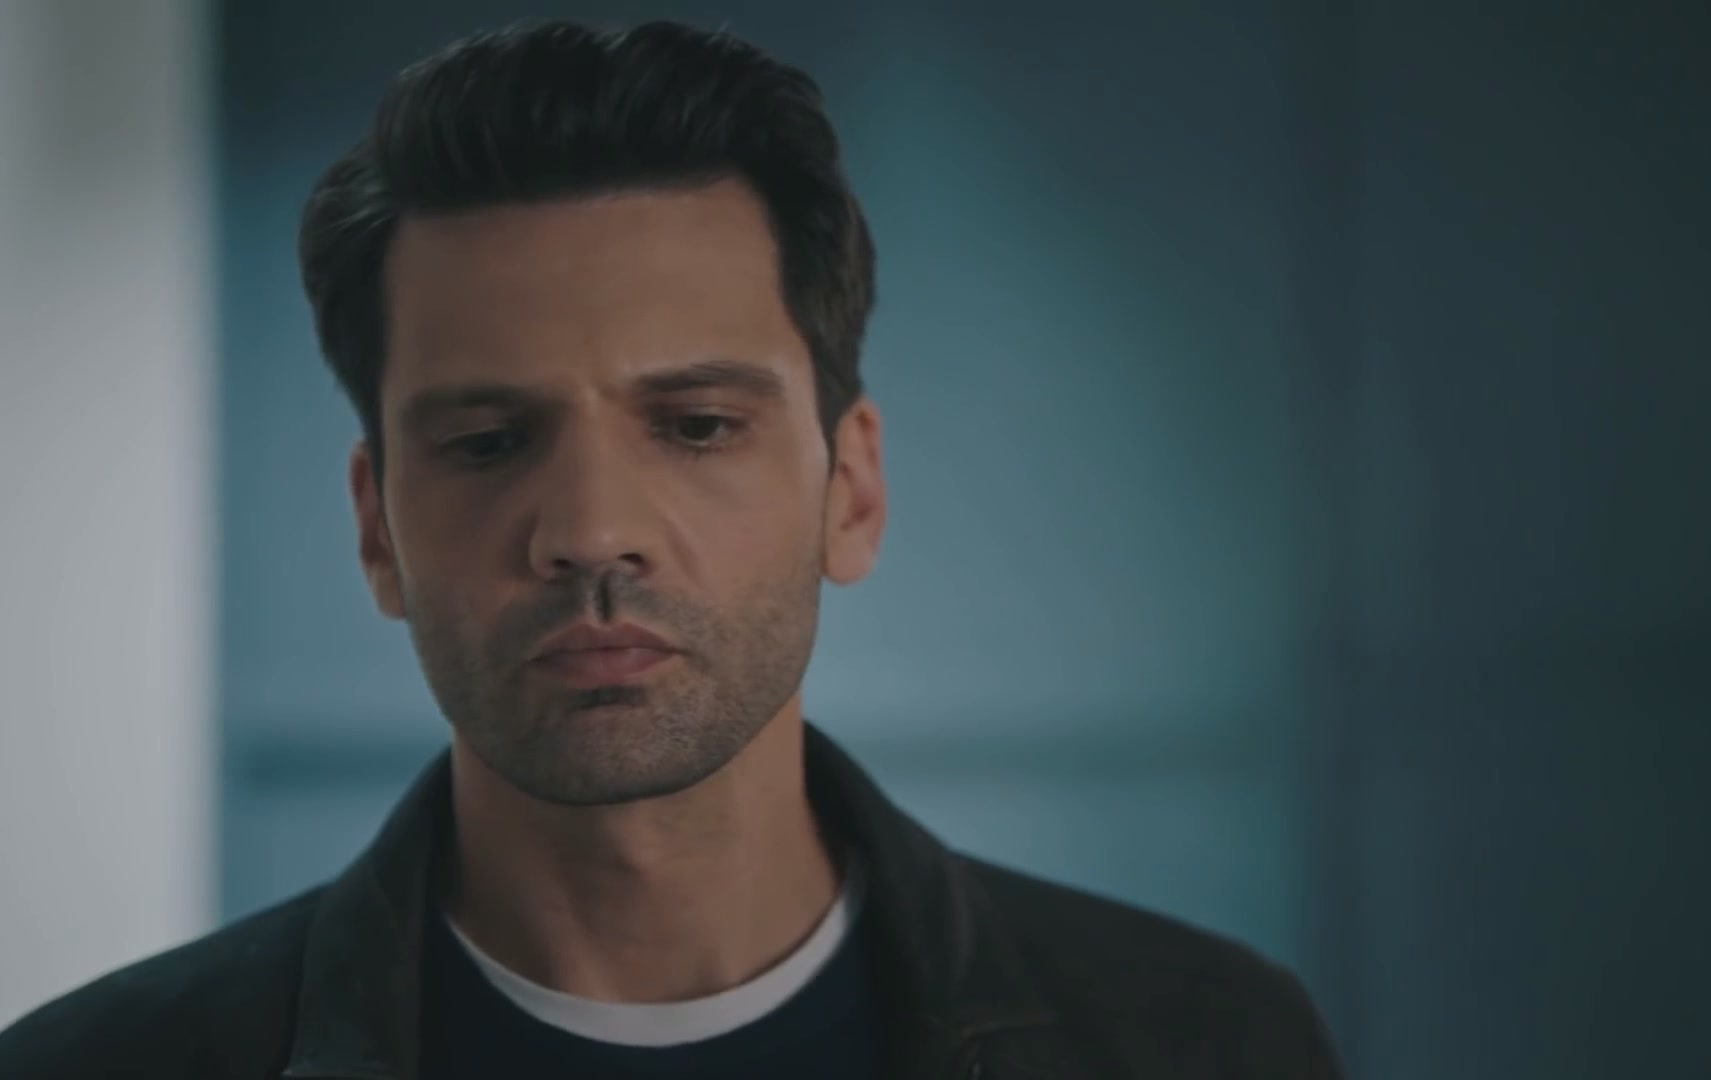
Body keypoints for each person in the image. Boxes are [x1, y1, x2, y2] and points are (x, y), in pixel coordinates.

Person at [0, 19, 1341, 1079]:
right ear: (376, 529)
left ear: (852, 491)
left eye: (697, 426)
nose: (592, 532)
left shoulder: (1204, 1045)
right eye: (486, 442)